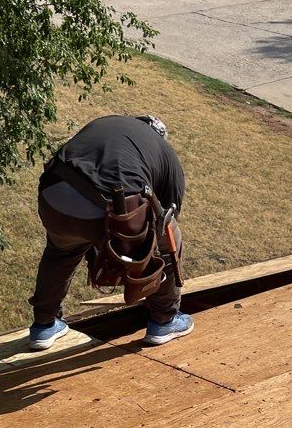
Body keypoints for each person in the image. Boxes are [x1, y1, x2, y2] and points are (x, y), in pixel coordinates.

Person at [28, 115, 194, 350]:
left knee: (60, 252)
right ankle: (165, 320)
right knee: (168, 239)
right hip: (110, 208)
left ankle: (44, 326)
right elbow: (169, 215)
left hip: (53, 195)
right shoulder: (164, 152)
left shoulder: (109, 125)